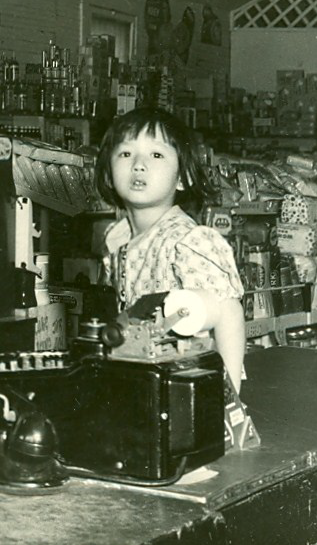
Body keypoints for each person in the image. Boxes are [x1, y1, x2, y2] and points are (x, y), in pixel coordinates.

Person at [95, 106, 245, 392]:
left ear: (183, 176)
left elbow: (229, 313)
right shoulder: (119, 239)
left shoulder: (187, 241)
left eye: (156, 154)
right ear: (108, 171)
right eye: (126, 154)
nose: (139, 164)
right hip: (145, 378)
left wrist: (227, 398)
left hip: (189, 384)